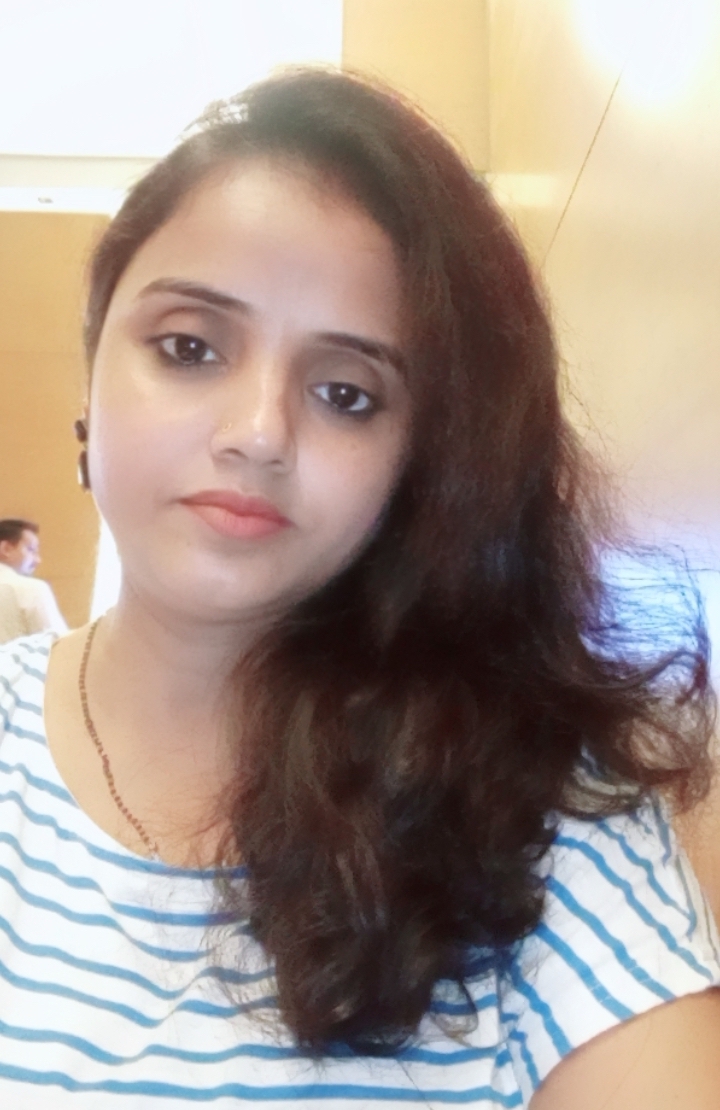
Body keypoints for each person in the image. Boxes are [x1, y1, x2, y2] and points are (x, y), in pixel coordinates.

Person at [0, 69, 718, 1108]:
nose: (259, 432)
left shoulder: (541, 811)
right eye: (190, 348)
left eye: (346, 393)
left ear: (420, 460)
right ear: (93, 366)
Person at [0, 517, 68, 641]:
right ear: (6, 549)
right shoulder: (30, 589)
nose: (37, 560)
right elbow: (57, 644)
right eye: (31, 550)